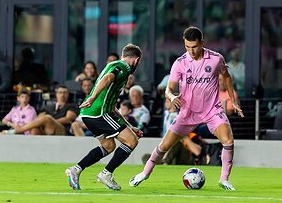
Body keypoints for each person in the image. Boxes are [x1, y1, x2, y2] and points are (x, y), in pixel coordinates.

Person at [129, 26, 244, 191]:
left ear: (202, 43)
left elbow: (226, 77)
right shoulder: (180, 63)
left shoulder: (216, 59)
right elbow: (169, 89)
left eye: (194, 46)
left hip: (212, 111)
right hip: (188, 112)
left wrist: (233, 100)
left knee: (228, 140)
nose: (191, 50)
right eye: (187, 47)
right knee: (164, 146)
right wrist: (172, 96)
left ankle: (224, 179)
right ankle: (144, 173)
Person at [65, 44, 143, 191]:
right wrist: (93, 97)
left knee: (109, 146)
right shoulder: (124, 67)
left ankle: (75, 170)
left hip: (89, 114)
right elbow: (108, 78)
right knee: (131, 140)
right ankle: (106, 174)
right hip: (99, 113)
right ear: (136, 60)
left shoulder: (113, 65)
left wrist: (130, 126)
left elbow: (112, 106)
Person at [7, 85, 79, 136]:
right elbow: (40, 117)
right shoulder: (50, 106)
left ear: (68, 94)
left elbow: (68, 119)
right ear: (56, 94)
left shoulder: (72, 106)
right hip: (47, 129)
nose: (63, 95)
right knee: (34, 129)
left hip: (62, 130)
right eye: (60, 92)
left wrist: (50, 121)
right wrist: (43, 122)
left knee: (47, 118)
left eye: (65, 92)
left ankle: (20, 130)